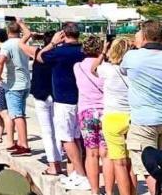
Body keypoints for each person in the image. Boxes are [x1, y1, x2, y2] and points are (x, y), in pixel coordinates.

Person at [121, 20, 162, 195]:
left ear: (144, 36)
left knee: (149, 167)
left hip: (143, 120)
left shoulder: (132, 57)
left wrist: (138, 45)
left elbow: (124, 70)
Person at [38, 22, 87, 191]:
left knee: (66, 138)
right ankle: (78, 173)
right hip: (80, 98)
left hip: (64, 100)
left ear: (63, 34)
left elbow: (40, 57)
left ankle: (81, 174)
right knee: (76, 137)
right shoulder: (83, 51)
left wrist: (52, 43)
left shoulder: (58, 52)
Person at [96, 37, 136, 195]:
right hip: (132, 117)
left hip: (113, 117)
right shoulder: (134, 72)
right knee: (131, 162)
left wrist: (103, 52)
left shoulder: (107, 69)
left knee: (119, 163)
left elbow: (93, 68)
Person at [75, 35, 107, 195]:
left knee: (91, 153)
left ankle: (95, 190)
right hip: (105, 112)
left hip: (86, 112)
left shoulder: (77, 67)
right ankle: (109, 189)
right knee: (106, 153)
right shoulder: (105, 68)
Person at [30, 29, 64, 176]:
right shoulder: (60, 56)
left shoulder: (40, 55)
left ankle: (52, 165)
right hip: (57, 95)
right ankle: (59, 162)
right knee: (58, 131)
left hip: (41, 95)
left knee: (47, 132)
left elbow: (22, 44)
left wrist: (51, 43)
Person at [0, 20, 32, 156]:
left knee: (17, 115)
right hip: (25, 82)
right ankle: (21, 142)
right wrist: (21, 23)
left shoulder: (7, 45)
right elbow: (28, 33)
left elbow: (0, 62)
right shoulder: (23, 42)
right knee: (20, 113)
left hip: (13, 84)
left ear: (7, 31)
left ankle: (24, 145)